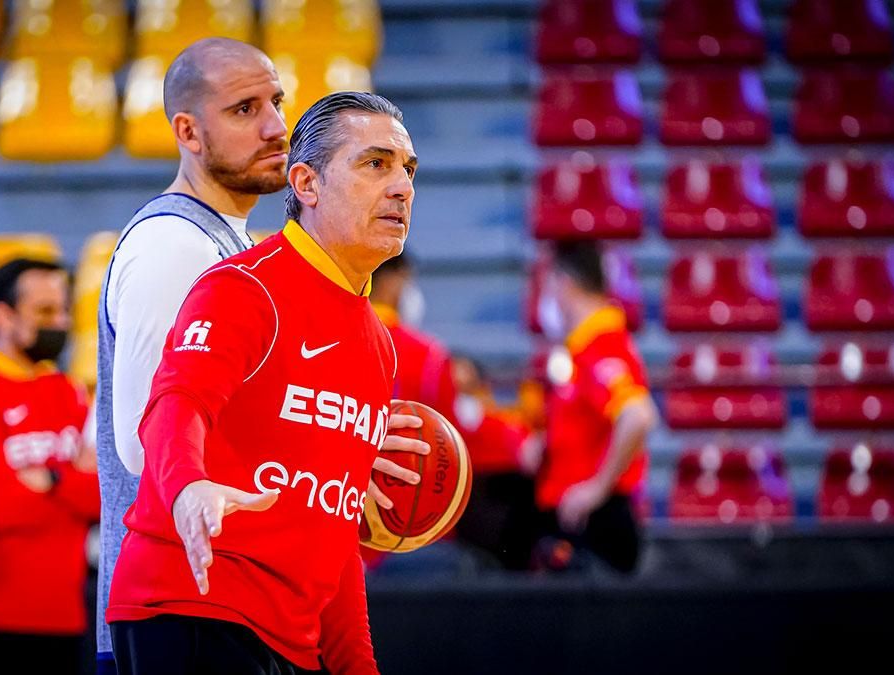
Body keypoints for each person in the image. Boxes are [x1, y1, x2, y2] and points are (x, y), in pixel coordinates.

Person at [93, 37, 427, 670]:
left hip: (286, 629)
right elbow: (167, 411)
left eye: (408, 169)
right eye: (376, 164)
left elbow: (333, 533)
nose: (400, 187)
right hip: (194, 602)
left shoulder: (377, 341)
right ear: (306, 183)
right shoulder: (231, 276)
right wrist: (189, 485)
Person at [0, 258, 100, 675]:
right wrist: (73, 479)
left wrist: (50, 478)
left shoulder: (68, 391)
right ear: (2, 315)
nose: (59, 322)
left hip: (64, 621)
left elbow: (104, 497)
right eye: (45, 312)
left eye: (63, 310)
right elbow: (1, 507)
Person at [369, 253, 540, 571]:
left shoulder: (331, 341)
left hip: (343, 521)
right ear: (394, 281)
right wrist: (514, 439)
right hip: (411, 528)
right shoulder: (428, 356)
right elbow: (453, 448)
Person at [534, 240, 658, 574]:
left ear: (564, 282)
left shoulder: (602, 347)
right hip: (574, 523)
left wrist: (596, 489)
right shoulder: (580, 350)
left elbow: (638, 416)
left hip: (595, 529)